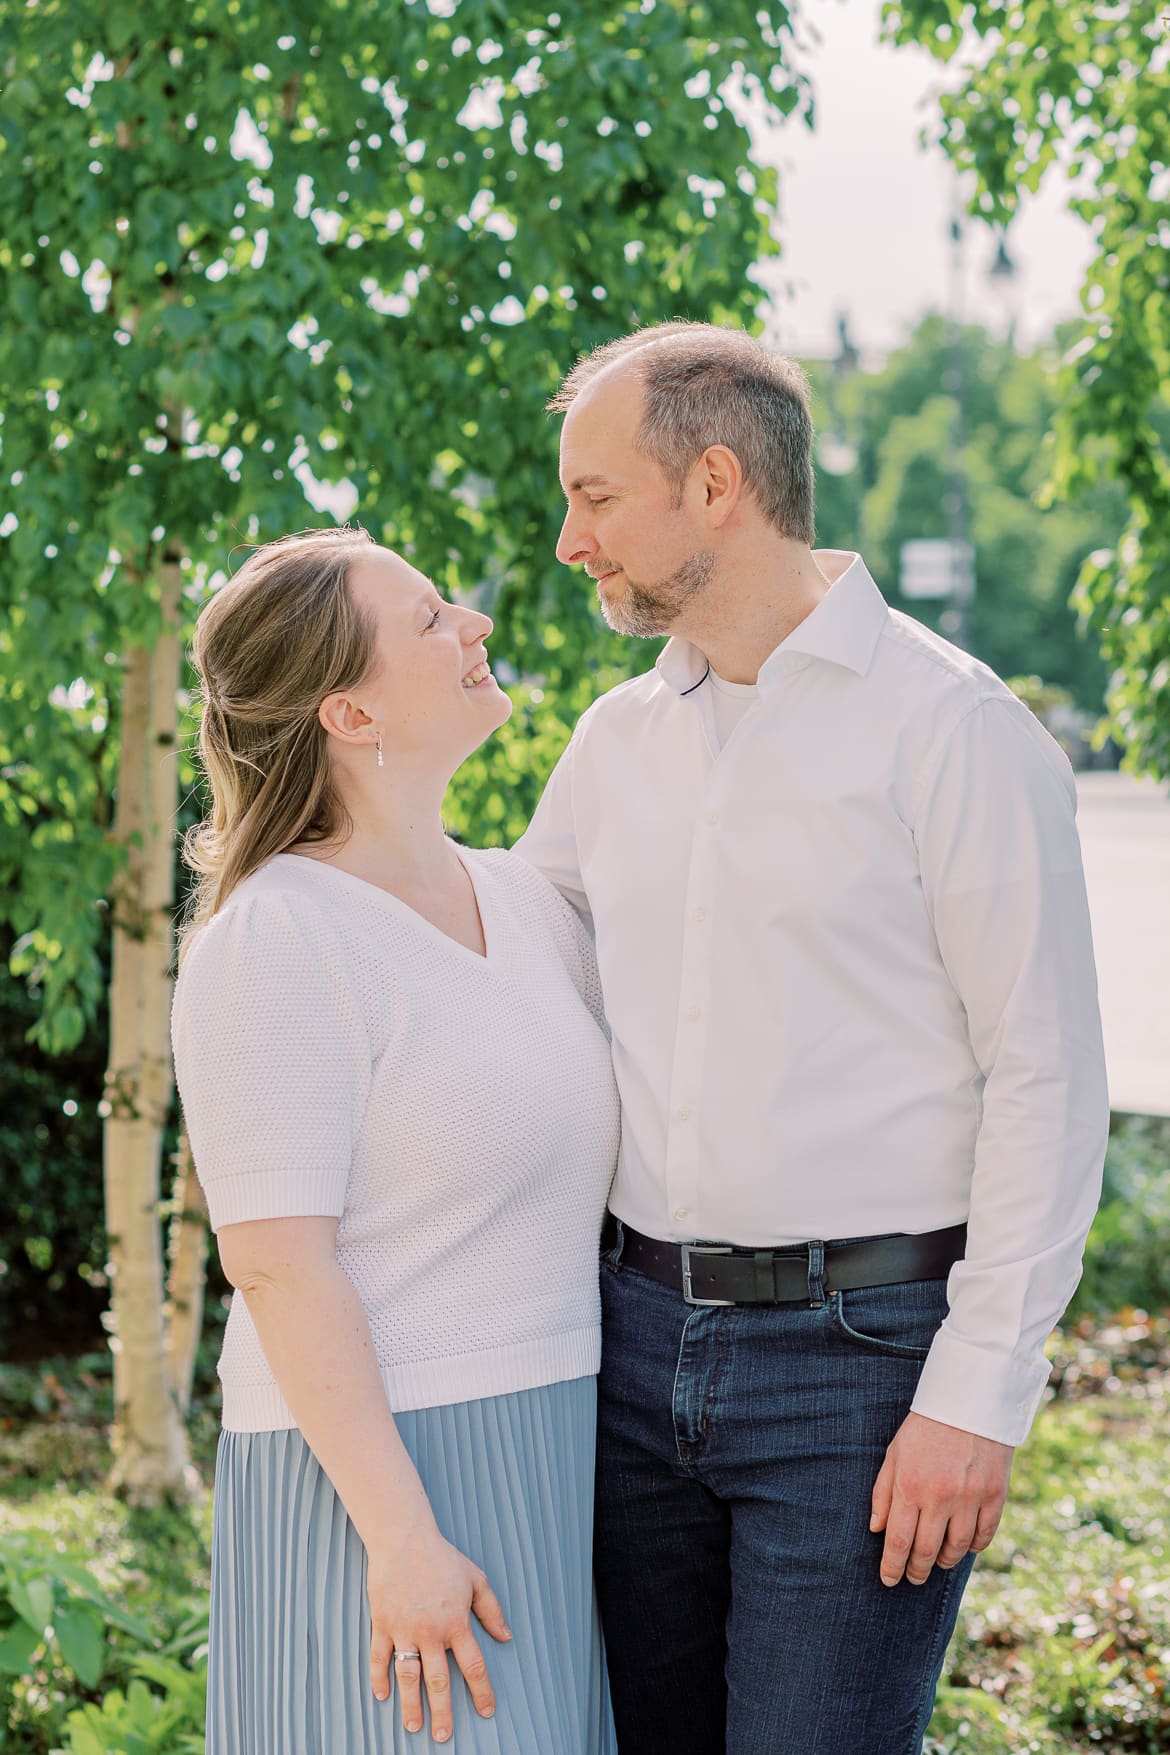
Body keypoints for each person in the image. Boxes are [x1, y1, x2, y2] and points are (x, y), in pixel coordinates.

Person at [514, 321, 1109, 1755]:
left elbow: (1046, 1075)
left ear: (713, 482)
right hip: (629, 1349)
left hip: (861, 1365)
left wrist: (977, 1395)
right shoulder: (613, 743)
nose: (565, 541)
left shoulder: (948, 729)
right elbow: (506, 967)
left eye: (594, 497)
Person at [170, 526, 620, 1754]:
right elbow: (275, 1265)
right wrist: (401, 1535)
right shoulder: (277, 939)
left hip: (556, 1442)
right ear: (350, 715)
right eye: (428, 618)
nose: (472, 624)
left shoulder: (528, 904)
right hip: (380, 1483)